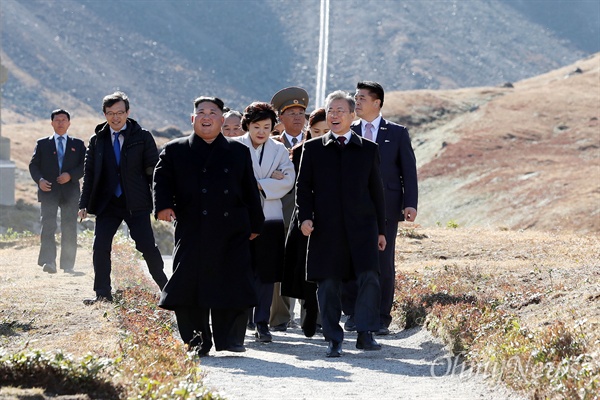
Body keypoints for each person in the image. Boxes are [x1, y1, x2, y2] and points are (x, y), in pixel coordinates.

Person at [153, 96, 264, 357]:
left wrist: (255, 222)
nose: (206, 117)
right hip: (193, 226)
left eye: (212, 112)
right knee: (189, 283)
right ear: (192, 119)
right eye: (201, 112)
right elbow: (161, 180)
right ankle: (197, 340)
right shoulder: (175, 149)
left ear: (222, 119)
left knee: (233, 282)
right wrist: (163, 206)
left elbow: (249, 189)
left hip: (233, 227)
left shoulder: (239, 151)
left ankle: (231, 339)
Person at [296, 90, 386, 357]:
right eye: (330, 111)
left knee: (369, 276)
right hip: (326, 227)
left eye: (340, 110)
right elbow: (303, 187)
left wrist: (381, 230)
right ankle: (333, 337)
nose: (334, 115)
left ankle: (365, 332)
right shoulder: (312, 149)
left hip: (363, 226)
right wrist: (305, 217)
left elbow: (376, 193)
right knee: (329, 283)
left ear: (351, 115)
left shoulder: (369, 149)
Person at [343, 81, 419, 335]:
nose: (357, 101)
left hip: (387, 205)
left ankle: (381, 316)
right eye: (356, 97)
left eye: (362, 97)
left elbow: (408, 170)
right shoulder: (348, 130)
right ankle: (354, 313)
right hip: (352, 205)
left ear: (377, 102)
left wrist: (410, 203)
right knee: (352, 258)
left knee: (383, 260)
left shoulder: (396, 132)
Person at [78, 91, 168, 305]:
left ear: (128, 112)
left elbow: (155, 170)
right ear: (104, 114)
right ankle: (102, 294)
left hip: (136, 202)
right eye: (110, 113)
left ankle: (167, 290)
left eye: (120, 112)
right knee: (100, 246)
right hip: (107, 203)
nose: (115, 117)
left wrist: (160, 202)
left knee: (147, 247)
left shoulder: (142, 136)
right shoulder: (97, 139)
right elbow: (89, 173)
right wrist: (83, 204)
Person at [233, 102, 295, 342]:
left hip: (270, 217)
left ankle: (262, 321)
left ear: (273, 127)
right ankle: (241, 318)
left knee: (266, 273)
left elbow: (288, 180)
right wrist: (268, 179)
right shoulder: (234, 146)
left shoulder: (279, 150)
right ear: (247, 125)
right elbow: (233, 181)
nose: (261, 131)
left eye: (266, 127)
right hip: (241, 217)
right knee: (241, 269)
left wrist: (259, 183)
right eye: (256, 126)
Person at [281, 107, 328, 337]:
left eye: (326, 130)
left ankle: (320, 318)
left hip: (331, 218)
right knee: (305, 268)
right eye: (316, 130)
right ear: (309, 130)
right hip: (305, 216)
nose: (321, 135)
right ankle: (309, 316)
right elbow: (299, 188)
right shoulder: (300, 152)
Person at [268, 86, 309, 331]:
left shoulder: (315, 142)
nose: (297, 117)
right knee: (279, 267)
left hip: (307, 214)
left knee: (307, 265)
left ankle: (309, 319)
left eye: (301, 112)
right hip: (280, 212)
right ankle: (280, 318)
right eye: (290, 112)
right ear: (280, 118)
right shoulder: (272, 145)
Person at [29, 109, 86, 274]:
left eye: (63, 120)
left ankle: (68, 265)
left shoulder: (77, 144)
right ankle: (49, 262)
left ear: (69, 123)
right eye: (57, 120)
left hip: (70, 192)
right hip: (48, 191)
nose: (60, 123)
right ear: (51, 123)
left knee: (69, 227)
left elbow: (84, 167)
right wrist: (39, 181)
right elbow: (33, 165)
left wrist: (71, 175)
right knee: (48, 226)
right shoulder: (42, 144)